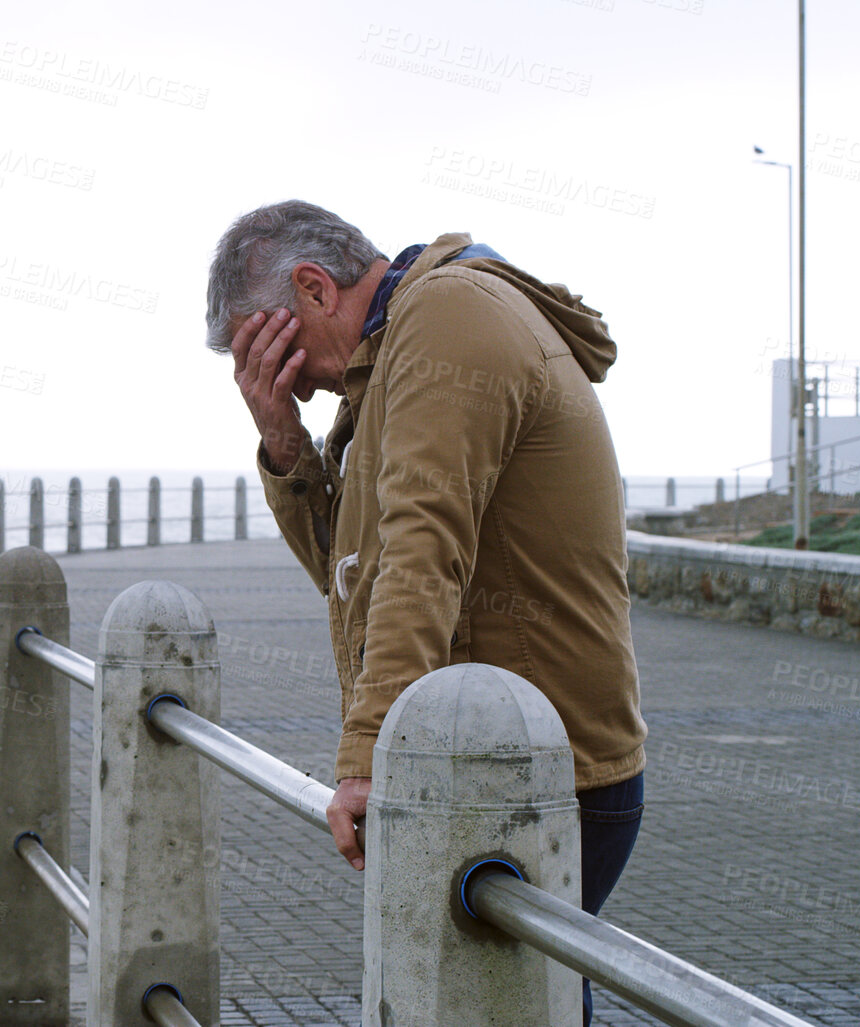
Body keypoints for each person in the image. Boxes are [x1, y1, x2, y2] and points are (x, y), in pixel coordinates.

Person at [205, 200, 647, 1025]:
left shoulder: (446, 318)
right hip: (485, 750)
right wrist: (282, 441)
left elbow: (421, 550)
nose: (288, 381)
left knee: (503, 1006)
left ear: (311, 288)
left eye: (275, 357)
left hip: (539, 766)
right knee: (511, 1005)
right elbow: (353, 576)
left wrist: (366, 758)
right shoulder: (392, 352)